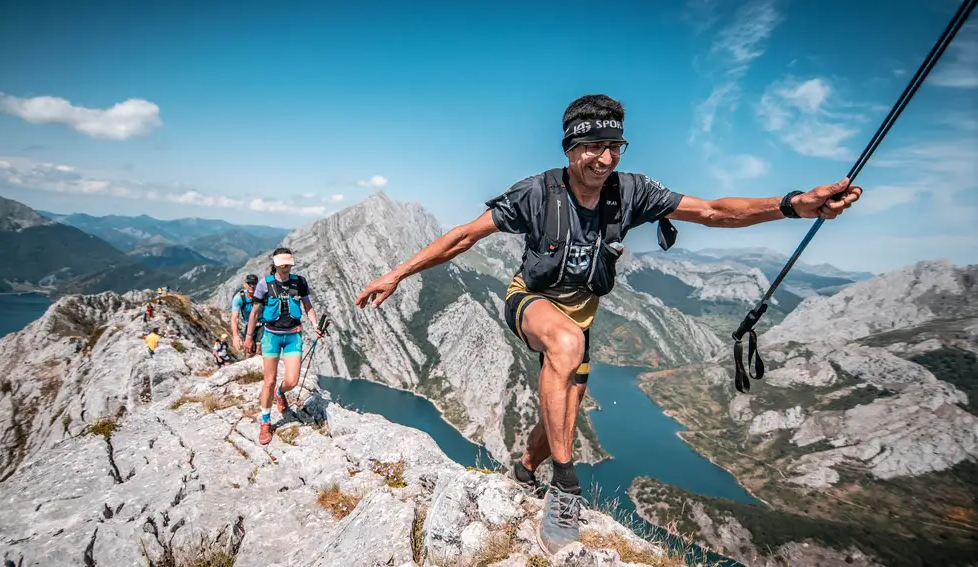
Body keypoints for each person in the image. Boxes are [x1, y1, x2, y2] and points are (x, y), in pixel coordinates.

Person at [354, 94, 863, 556]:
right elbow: (464, 237)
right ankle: (565, 489)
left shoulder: (632, 192)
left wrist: (793, 205)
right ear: (571, 147)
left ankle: (526, 468)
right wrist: (397, 274)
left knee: (565, 412)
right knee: (566, 341)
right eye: (594, 146)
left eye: (615, 146)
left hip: (583, 309)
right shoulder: (535, 193)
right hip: (530, 299)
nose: (605, 158)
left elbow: (712, 211)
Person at [244, 247, 325, 445]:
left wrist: (315, 325)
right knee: (269, 381)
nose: (286, 267)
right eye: (282, 265)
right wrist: (248, 336)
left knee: (292, 381)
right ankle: (265, 422)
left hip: (293, 336)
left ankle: (280, 393)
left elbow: (308, 306)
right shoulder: (265, 284)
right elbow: (255, 312)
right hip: (271, 336)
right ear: (276, 264)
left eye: (288, 264)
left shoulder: (300, 282)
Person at [231, 274, 262, 356]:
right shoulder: (239, 298)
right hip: (249, 326)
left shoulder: (263, 295)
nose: (252, 286)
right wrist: (235, 336)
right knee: (248, 351)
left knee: (259, 348)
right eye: (249, 283)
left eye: (254, 284)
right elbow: (235, 318)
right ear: (245, 284)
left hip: (263, 324)